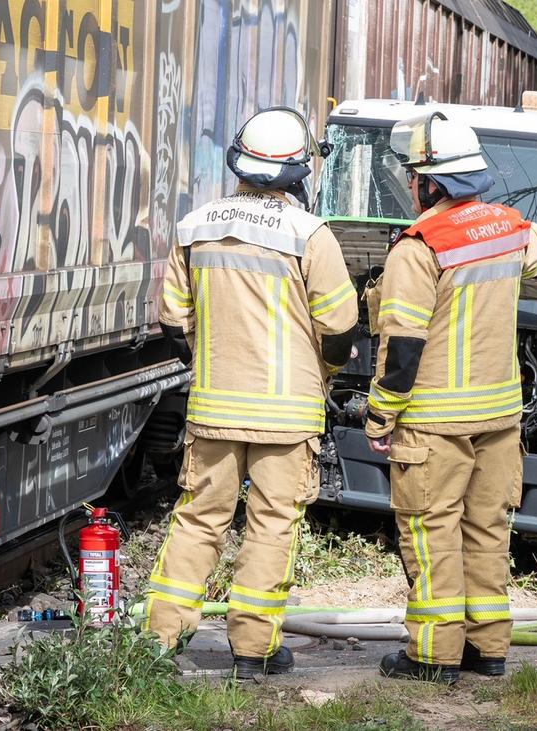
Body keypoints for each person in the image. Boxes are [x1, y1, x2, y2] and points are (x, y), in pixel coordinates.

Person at [144, 107, 358, 677]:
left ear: (239, 160)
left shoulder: (195, 227)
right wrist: (324, 372)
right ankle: (253, 652)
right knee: (271, 527)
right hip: (287, 418)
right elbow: (340, 329)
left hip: (214, 409)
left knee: (197, 521)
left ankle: (159, 644)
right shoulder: (311, 236)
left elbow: (173, 322)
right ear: (298, 169)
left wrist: (209, 366)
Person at [363, 111, 537, 683]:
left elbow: (402, 345)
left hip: (434, 422)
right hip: (499, 417)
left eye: (413, 177)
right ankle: (487, 648)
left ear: (430, 183)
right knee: (487, 530)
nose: (410, 186)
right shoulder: (511, 229)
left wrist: (379, 416)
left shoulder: (417, 248)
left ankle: (433, 654)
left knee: (432, 534)